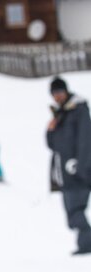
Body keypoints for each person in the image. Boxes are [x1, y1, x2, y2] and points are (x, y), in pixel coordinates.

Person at [47, 76, 91, 255]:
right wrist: (50, 130)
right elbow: (53, 145)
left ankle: (87, 245)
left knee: (75, 210)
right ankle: (85, 244)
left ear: (66, 91)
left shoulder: (78, 110)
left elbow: (85, 139)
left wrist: (80, 164)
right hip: (65, 172)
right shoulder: (61, 114)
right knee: (71, 215)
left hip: (79, 170)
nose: (57, 96)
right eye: (54, 93)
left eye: (59, 92)